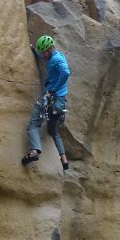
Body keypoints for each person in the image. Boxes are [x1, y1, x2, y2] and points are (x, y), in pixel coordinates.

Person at [22, 34, 70, 170]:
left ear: (49, 49)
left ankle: (34, 151)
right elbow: (45, 59)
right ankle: (64, 161)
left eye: (44, 52)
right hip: (60, 103)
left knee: (33, 125)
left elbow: (66, 73)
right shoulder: (56, 56)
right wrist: (34, 50)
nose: (43, 55)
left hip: (50, 98)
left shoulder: (57, 60)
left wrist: (54, 89)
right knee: (53, 132)